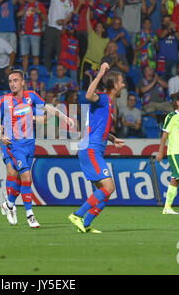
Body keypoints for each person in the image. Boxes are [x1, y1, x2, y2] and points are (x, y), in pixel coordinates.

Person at [0, 69, 73, 228]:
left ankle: (9, 203)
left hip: (30, 144)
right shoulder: (4, 100)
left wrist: (64, 117)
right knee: (25, 176)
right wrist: (0, 135)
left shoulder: (31, 97)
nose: (12, 84)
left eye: (15, 80)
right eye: (10, 81)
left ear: (23, 82)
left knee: (20, 178)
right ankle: (30, 215)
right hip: (13, 144)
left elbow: (47, 110)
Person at [68, 64, 126, 234]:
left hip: (95, 149)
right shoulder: (102, 98)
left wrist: (113, 139)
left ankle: (85, 224)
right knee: (109, 188)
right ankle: (77, 215)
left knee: (105, 192)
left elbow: (98, 127)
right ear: (114, 84)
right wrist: (100, 73)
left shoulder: (108, 104)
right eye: (121, 82)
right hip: (91, 149)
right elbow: (87, 95)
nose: (123, 85)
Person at [44, 0, 74, 74]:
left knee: (60, 53)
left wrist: (63, 22)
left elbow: (70, 17)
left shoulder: (69, 3)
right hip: (51, 28)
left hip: (61, 31)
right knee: (48, 52)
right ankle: (48, 72)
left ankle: (60, 73)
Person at [17, 0, 47, 75]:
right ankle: (25, 73)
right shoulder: (24, 6)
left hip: (35, 33)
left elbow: (46, 19)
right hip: (24, 34)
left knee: (35, 55)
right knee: (24, 55)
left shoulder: (40, 5)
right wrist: (19, 14)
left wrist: (39, 12)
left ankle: (34, 74)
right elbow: (18, 15)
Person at [80, 7, 109, 90]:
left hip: (98, 66)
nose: (97, 28)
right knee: (86, 85)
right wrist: (89, 9)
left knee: (97, 86)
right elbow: (87, 20)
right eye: (97, 26)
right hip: (88, 63)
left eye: (99, 27)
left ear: (103, 29)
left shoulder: (106, 40)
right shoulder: (91, 34)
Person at [157, 15, 179, 82]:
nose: (167, 22)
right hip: (162, 60)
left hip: (174, 59)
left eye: (169, 21)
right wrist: (169, 27)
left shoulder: (175, 31)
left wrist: (174, 29)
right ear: (162, 23)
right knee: (162, 79)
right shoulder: (159, 30)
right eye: (165, 21)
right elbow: (161, 36)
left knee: (174, 80)